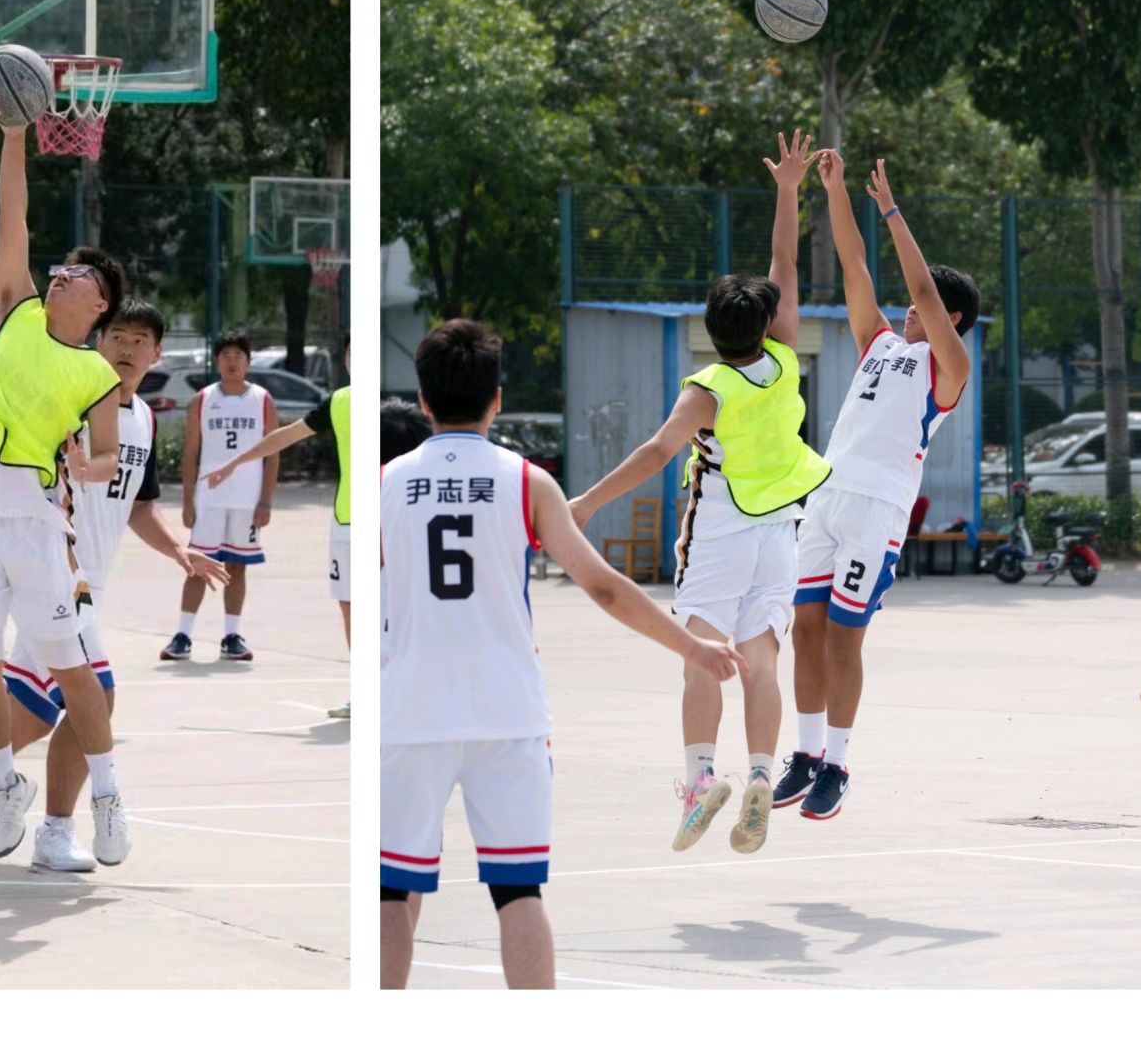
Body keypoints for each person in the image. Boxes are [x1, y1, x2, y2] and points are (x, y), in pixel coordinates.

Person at [381, 318, 739, 991]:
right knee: (517, 891)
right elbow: (603, 587)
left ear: (423, 400)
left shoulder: (387, 483)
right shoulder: (527, 482)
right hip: (508, 711)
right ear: (497, 400)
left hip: (410, 711)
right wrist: (691, 645)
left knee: (392, 890)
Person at [570, 134, 826, 858]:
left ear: (710, 333)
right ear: (766, 324)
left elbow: (657, 452)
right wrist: (788, 190)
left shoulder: (708, 389)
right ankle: (761, 774)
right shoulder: (784, 360)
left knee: (700, 656)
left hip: (718, 529)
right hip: (780, 531)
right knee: (760, 659)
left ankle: (701, 779)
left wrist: (586, 504)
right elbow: (784, 264)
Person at [0, 298, 226, 872]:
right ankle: (56, 831)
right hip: (50, 572)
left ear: (157, 354)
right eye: (117, 336)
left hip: (83, 586)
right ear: (98, 342)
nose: (127, 348)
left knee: (29, 712)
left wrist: (179, 550)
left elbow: (138, 507)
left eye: (140, 340)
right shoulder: (70, 405)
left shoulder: (145, 420)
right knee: (95, 696)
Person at [779, 153, 976, 823]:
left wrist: (892, 210)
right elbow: (854, 265)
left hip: (877, 509)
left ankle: (838, 763)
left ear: (951, 316)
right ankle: (806, 755)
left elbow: (920, 287)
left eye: (928, 303)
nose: (911, 305)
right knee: (805, 628)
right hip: (828, 498)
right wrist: (835, 191)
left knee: (844, 635)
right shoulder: (880, 345)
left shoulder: (948, 367)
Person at [201, 334, 352, 715]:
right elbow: (285, 436)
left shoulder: (390, 408)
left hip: (384, 520)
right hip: (346, 521)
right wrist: (234, 463)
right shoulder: (339, 401)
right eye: (352, 351)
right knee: (351, 607)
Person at [164, 331, 273, 662]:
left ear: (248, 362)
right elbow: (191, 452)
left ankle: (231, 635)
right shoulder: (203, 399)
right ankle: (183, 635)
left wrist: (266, 500)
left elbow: (273, 453)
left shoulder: (262, 399)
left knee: (237, 567)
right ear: (217, 361)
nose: (232, 361)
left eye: (238, 355)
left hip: (247, 498)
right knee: (197, 564)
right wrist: (187, 500)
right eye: (226, 355)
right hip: (209, 498)